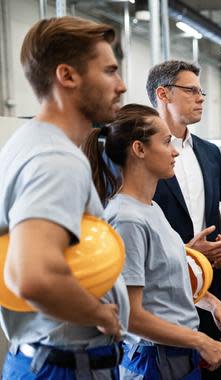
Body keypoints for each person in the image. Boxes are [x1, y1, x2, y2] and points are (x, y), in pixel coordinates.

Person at [0, 16, 129, 379]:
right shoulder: (56, 160)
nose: (121, 86)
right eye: (109, 72)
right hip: (65, 365)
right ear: (67, 76)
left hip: (43, 358)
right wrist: (99, 313)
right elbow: (33, 277)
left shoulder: (26, 143)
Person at [82, 103, 221, 379]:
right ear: (139, 150)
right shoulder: (127, 219)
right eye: (166, 142)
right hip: (154, 358)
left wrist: (210, 302)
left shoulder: (151, 209)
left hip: (176, 351)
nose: (175, 150)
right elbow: (129, 316)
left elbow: (165, 282)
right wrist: (201, 340)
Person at [146, 60, 221, 379]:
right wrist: (187, 253)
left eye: (200, 90)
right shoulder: (144, 154)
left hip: (211, 285)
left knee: (210, 368)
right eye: (191, 90)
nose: (201, 97)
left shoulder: (208, 153)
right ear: (163, 94)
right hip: (161, 291)